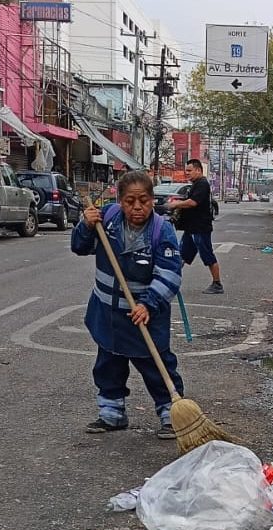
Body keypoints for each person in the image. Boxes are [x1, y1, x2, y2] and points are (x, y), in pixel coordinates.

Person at [71, 170, 184, 440]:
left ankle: (172, 412)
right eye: (130, 201)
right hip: (108, 313)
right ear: (120, 200)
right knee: (108, 363)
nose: (137, 207)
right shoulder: (106, 220)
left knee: (156, 366)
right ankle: (112, 413)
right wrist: (85, 226)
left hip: (143, 315)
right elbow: (79, 247)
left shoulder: (161, 230)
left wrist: (148, 304)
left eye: (143, 201)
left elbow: (170, 274)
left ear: (152, 201)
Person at [170, 158, 223, 294]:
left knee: (207, 256)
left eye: (189, 170)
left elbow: (193, 202)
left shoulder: (202, 184)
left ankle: (217, 284)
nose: (187, 173)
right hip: (191, 228)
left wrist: (176, 204)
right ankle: (169, 280)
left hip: (200, 228)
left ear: (198, 170)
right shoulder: (195, 185)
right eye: (186, 171)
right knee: (181, 255)